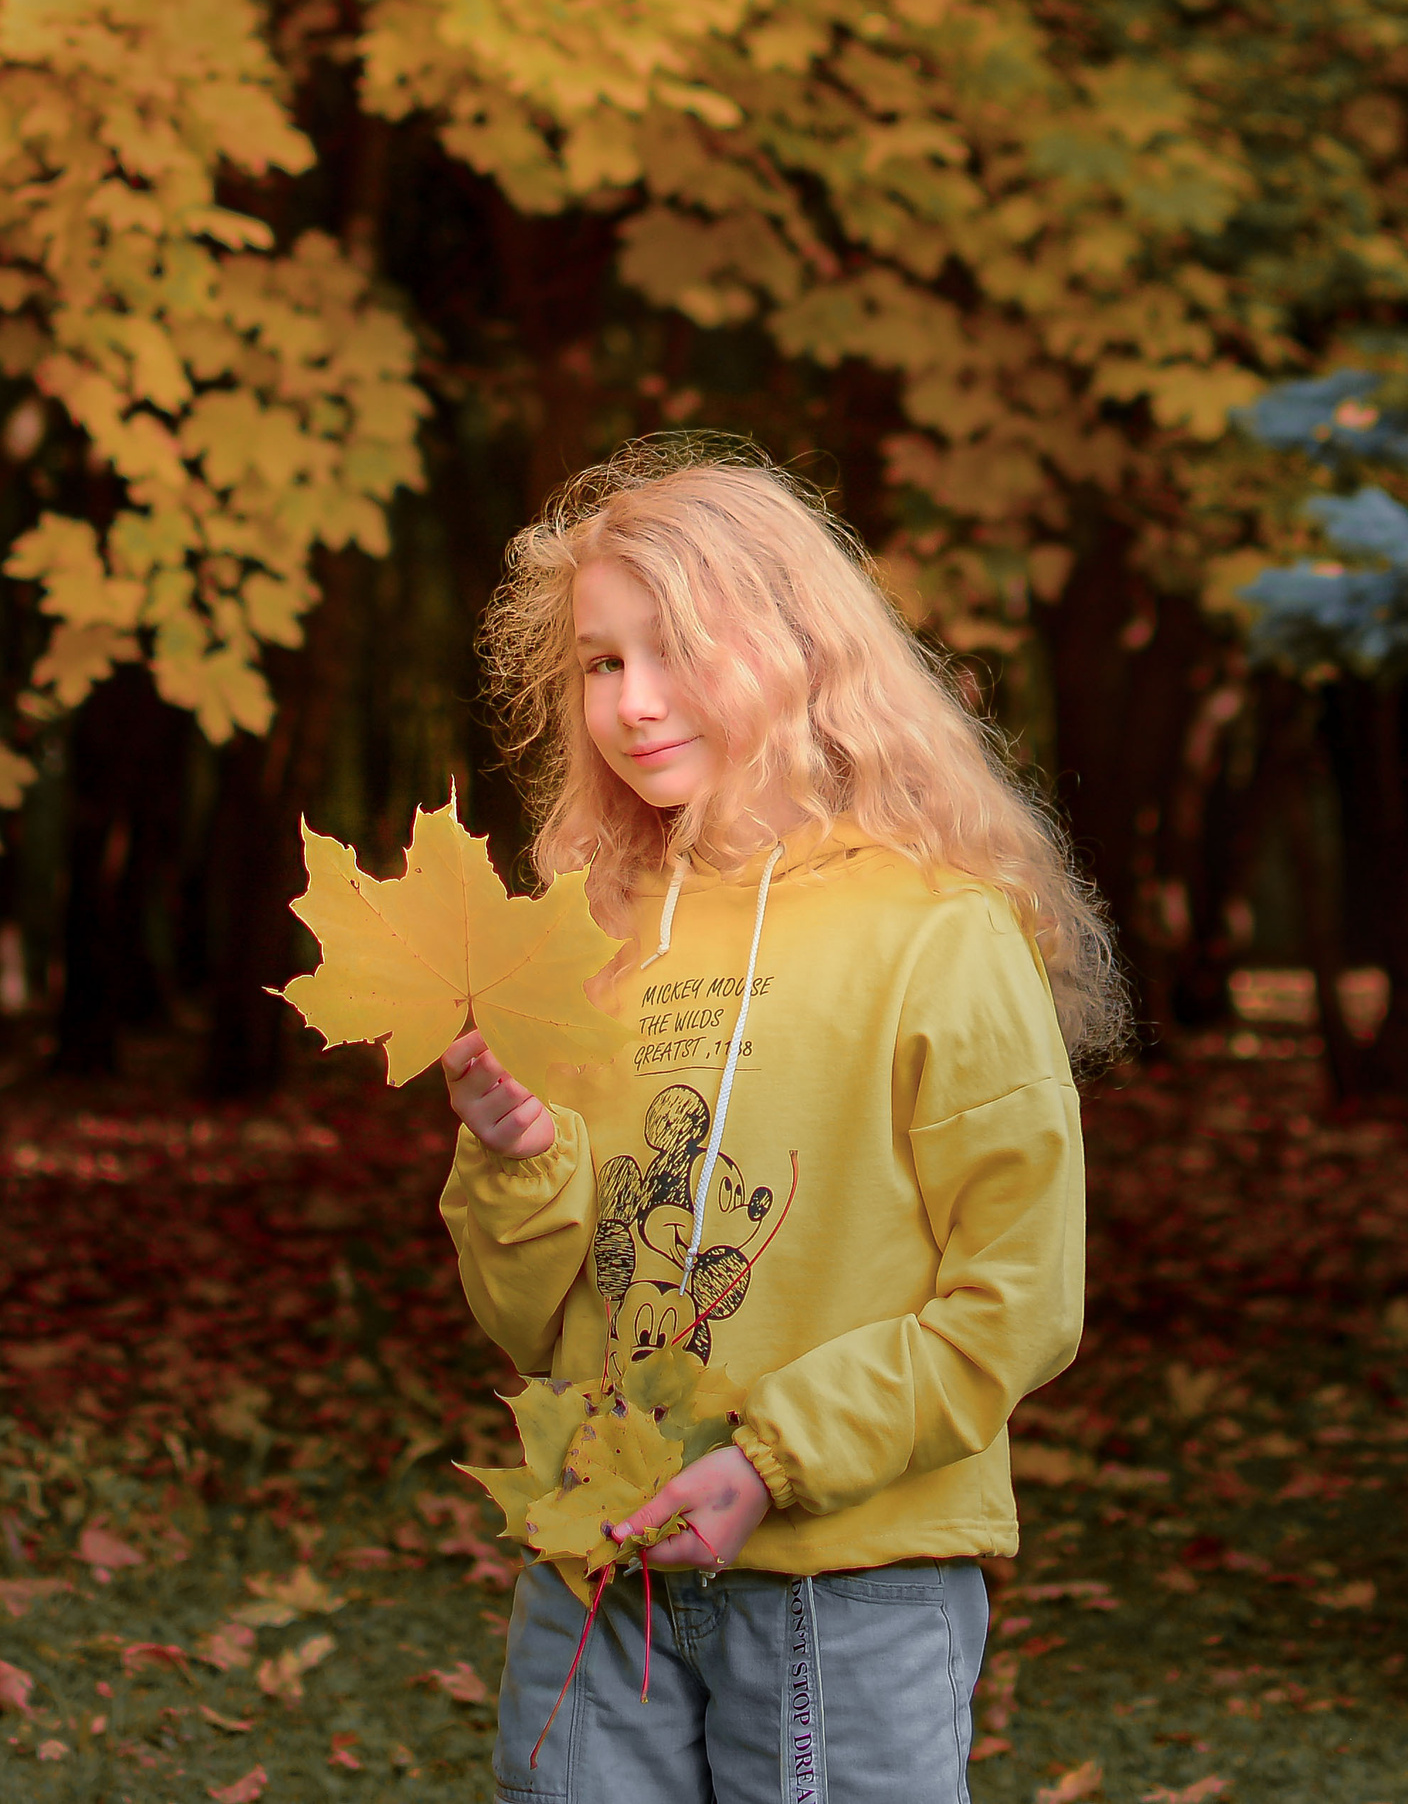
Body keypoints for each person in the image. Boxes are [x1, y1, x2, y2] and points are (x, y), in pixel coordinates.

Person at [439, 441, 1123, 1804]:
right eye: (599, 661)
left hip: (843, 1585)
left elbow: (1017, 1299)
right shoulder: (589, 938)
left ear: (802, 645)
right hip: (605, 1569)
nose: (633, 703)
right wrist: (521, 1160)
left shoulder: (941, 932)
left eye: (677, 649)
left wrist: (771, 1456)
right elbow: (530, 1315)